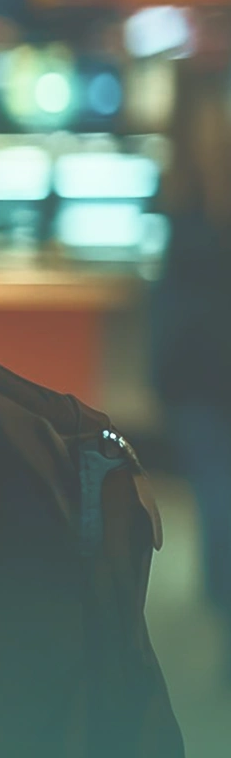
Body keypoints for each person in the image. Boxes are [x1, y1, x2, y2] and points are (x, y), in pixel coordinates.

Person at [151, 58, 231, 625]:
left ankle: (224, 600)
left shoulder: (180, 187)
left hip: (196, 366)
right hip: (210, 362)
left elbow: (170, 296)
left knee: (213, 488)